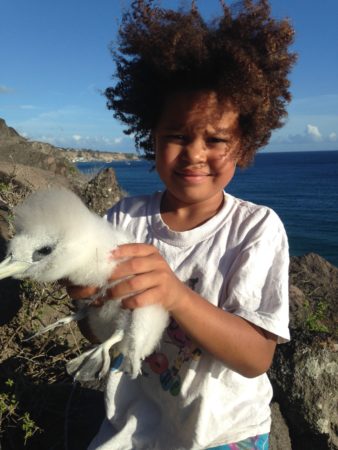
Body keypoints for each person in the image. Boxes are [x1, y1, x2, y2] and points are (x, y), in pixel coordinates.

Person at [68, 1, 296, 448]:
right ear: (150, 138)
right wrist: (87, 300)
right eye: (176, 136)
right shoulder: (123, 219)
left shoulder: (256, 228)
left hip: (225, 433)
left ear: (244, 146)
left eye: (215, 139)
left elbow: (255, 357)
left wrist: (175, 294)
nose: (194, 153)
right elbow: (99, 333)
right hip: (133, 428)